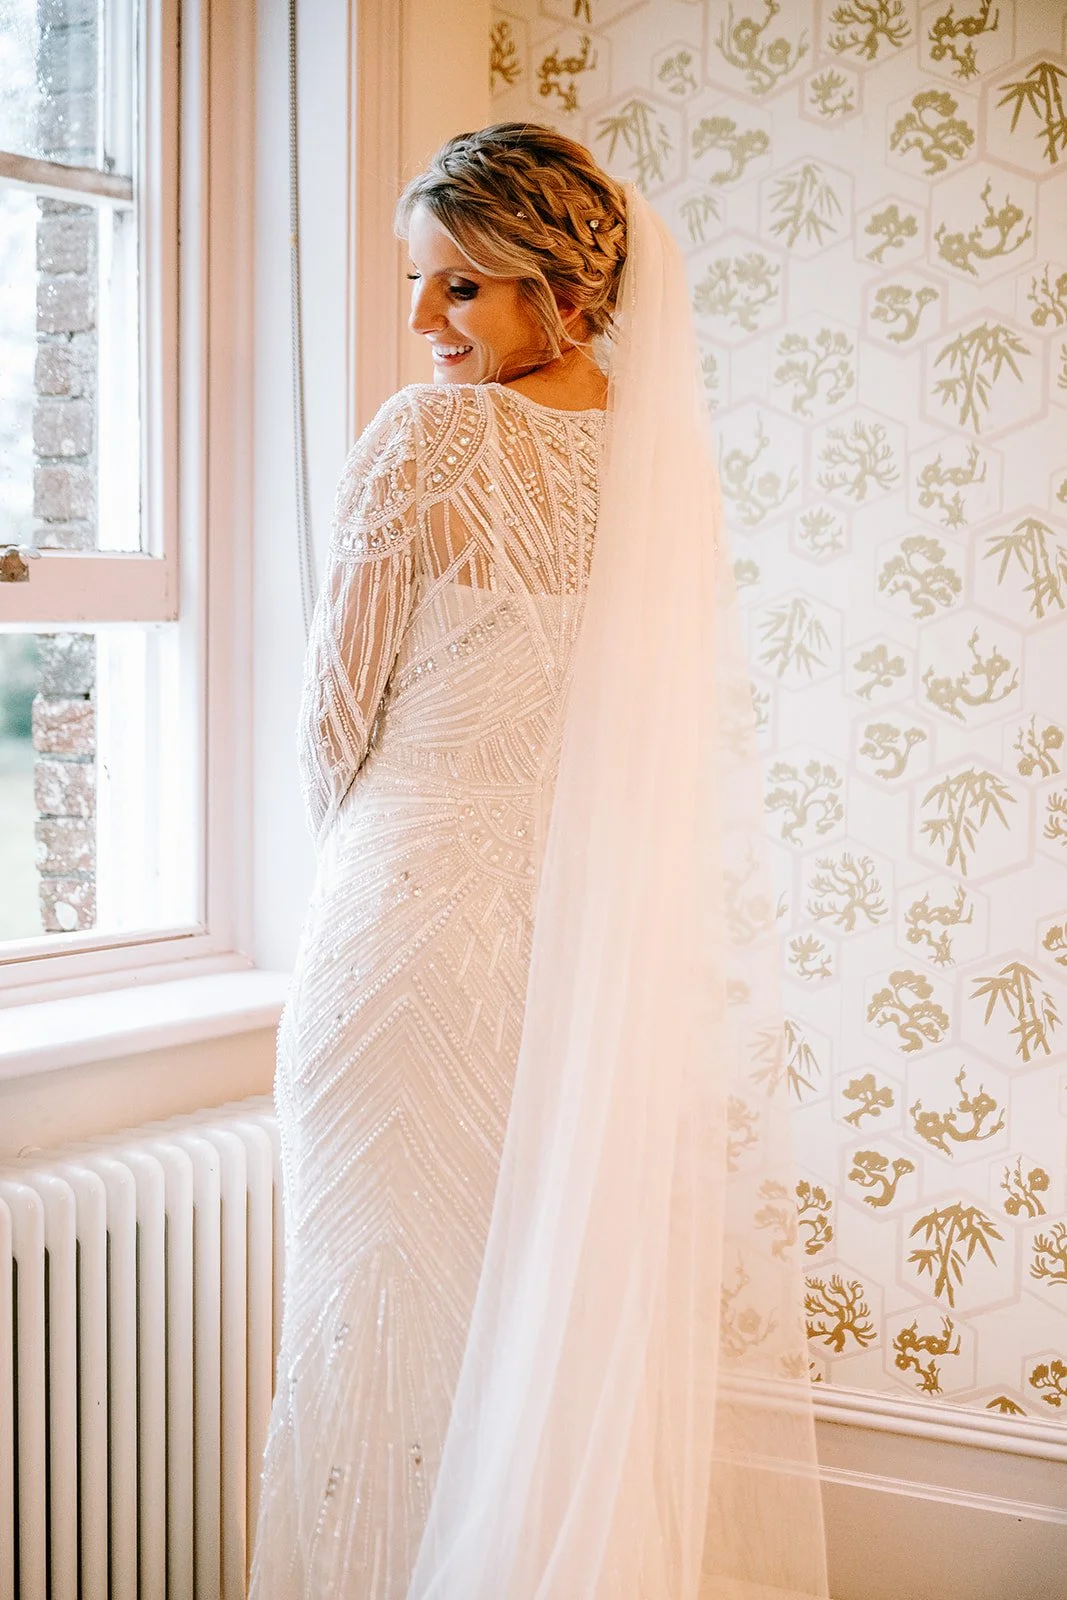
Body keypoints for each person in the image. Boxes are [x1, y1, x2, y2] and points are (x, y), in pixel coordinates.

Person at [249, 123, 828, 1600]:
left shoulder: (426, 437)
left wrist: (370, 867)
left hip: (404, 929)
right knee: (525, 1313)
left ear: (555, 290)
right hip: (570, 954)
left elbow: (332, 723)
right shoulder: (654, 457)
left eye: (459, 288)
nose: (423, 321)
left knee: (381, 1294)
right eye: (416, 285)